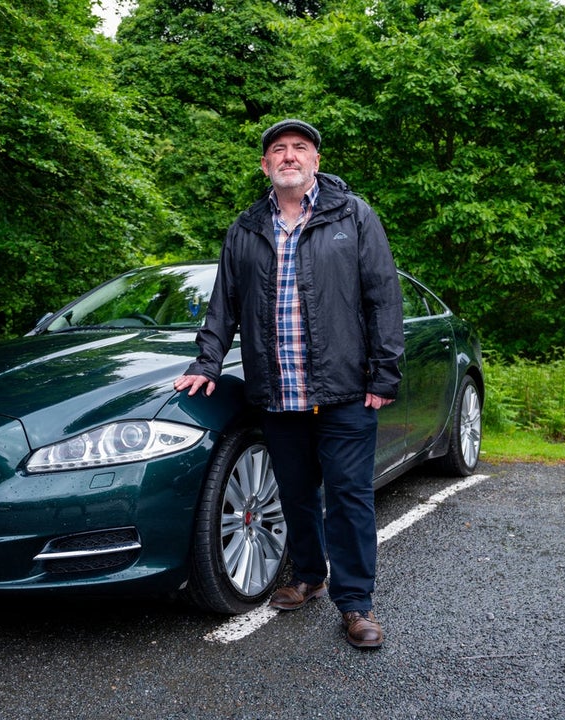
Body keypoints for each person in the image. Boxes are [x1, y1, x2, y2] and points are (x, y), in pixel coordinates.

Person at [173, 119, 404, 649]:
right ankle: (308, 576)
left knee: (348, 499)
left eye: (300, 148)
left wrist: (385, 372)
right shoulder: (247, 227)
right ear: (265, 165)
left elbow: (382, 296)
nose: (289, 156)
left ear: (316, 161)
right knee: (297, 494)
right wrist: (207, 364)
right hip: (279, 393)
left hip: (344, 390)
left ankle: (356, 603)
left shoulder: (353, 215)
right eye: (278, 150)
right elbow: (223, 305)